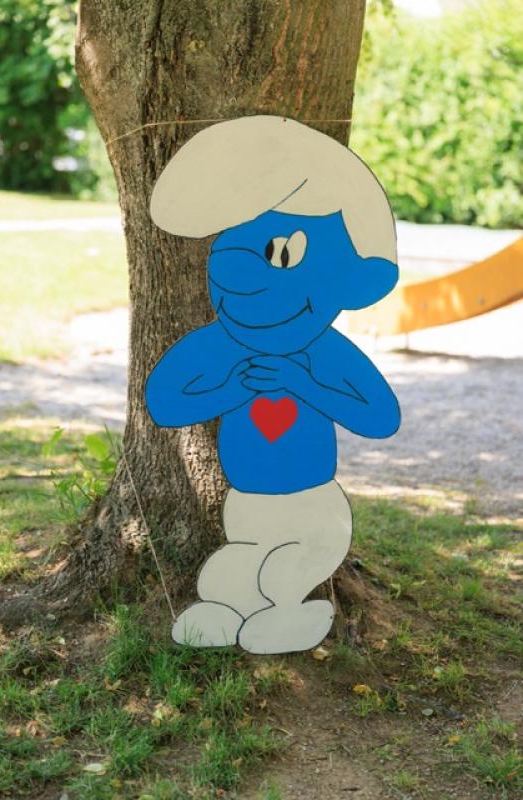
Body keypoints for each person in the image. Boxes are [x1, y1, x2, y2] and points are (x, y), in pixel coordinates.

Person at [146, 115, 400, 654]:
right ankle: (224, 612)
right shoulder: (223, 346)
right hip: (247, 503)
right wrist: (232, 390)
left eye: (281, 253)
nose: (235, 274)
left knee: (284, 570)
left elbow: (382, 417)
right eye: (230, 246)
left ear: (354, 280)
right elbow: (164, 402)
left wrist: (303, 383)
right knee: (235, 567)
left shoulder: (323, 351)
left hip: (315, 507)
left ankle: (293, 614)